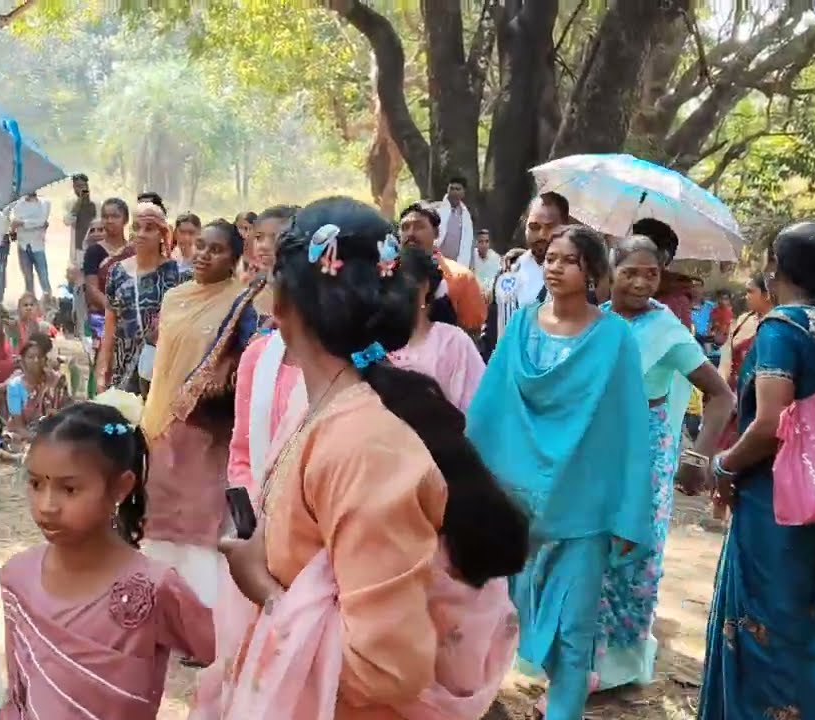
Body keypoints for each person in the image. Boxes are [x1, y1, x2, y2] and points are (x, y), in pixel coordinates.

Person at [216, 197, 527, 719]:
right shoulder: (336, 411)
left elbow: (388, 670)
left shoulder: (363, 443)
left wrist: (267, 592)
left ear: (281, 303)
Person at [699, 222, 815, 719]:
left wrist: (723, 464)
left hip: (776, 507)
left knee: (767, 631)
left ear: (774, 267)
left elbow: (768, 425)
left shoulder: (782, 327)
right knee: (805, 631)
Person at [467, 224, 652, 720]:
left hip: (584, 505)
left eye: (568, 259)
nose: (553, 266)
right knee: (517, 613)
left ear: (592, 272)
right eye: (549, 257)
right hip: (519, 502)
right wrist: (468, 483)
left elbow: (633, 430)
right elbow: (489, 410)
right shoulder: (522, 327)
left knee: (574, 630)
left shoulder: (614, 338)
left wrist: (632, 513)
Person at [0, 395, 215, 719]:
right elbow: (18, 692)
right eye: (36, 484)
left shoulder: (154, 587)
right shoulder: (17, 576)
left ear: (121, 488)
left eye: (69, 489)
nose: (46, 505)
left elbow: (226, 656)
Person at [593, 235, 734, 692]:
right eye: (630, 271)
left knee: (631, 554)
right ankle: (580, 656)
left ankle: (618, 664)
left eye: (650, 273)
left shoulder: (666, 328)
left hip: (643, 457)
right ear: (611, 271)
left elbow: (721, 395)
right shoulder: (595, 320)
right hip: (591, 452)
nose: (640, 282)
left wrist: (699, 454)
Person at [138, 220, 258, 605]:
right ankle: (162, 609)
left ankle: (204, 615)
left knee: (200, 519)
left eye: (217, 249)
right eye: (201, 246)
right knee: (159, 518)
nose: (204, 254)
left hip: (207, 427)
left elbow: (245, 362)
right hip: (162, 423)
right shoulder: (175, 297)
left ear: (235, 259)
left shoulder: (243, 304)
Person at [96, 202, 188, 394]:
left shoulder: (176, 274)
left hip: (162, 370)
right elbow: (110, 326)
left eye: (149, 228)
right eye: (137, 228)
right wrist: (103, 369)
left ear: (162, 233)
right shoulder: (117, 272)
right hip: (123, 370)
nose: (141, 234)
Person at [387, 246, 484, 412]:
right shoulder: (373, 343)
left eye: (399, 283)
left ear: (424, 287)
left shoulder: (452, 342)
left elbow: (480, 408)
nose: (391, 293)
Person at [482, 192, 568, 354]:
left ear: (565, 226)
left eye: (550, 227)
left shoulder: (576, 277)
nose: (542, 235)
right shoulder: (508, 272)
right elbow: (491, 332)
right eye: (534, 227)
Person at [397, 202, 485, 334]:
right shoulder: (387, 275)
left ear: (437, 233)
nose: (410, 233)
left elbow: (473, 332)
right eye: (405, 227)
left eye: (419, 226)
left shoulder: (461, 278)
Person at [717, 274, 773, 448]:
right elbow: (727, 359)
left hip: (756, 400)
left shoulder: (776, 325)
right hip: (732, 396)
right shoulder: (744, 319)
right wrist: (720, 392)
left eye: (750, 291)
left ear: (767, 294)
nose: (745, 296)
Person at [6, 334, 71, 443]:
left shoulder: (55, 381)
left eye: (40, 357)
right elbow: (19, 426)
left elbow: (68, 411)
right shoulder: (15, 386)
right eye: (31, 357)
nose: (36, 361)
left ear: (45, 360)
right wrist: (39, 439)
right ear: (22, 361)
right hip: (27, 434)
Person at [248, 205, 298, 322]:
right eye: (259, 237)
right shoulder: (252, 292)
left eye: (275, 237)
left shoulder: (306, 297)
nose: (262, 246)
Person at [8, 190, 53, 299]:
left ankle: (48, 303)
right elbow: (15, 221)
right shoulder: (19, 204)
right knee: (28, 277)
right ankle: (30, 304)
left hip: (37, 245)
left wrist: (23, 223)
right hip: (23, 244)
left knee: (43, 277)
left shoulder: (44, 204)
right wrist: (29, 223)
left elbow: (42, 221)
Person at [435, 176, 475, 267]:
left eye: (458, 189)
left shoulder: (466, 216)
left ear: (463, 192)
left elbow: (468, 244)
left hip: (457, 265)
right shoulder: (437, 209)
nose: (454, 192)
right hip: (437, 261)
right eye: (451, 188)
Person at [63, 173, 97, 264]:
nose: (81, 189)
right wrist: (79, 203)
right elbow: (67, 221)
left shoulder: (96, 203)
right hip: (77, 249)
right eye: (78, 186)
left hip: (93, 247)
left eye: (83, 185)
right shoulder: (70, 203)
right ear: (74, 188)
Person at [471, 229, 501, 299]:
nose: (484, 245)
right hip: (475, 294)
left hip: (491, 296)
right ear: (476, 243)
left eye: (486, 242)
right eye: (481, 242)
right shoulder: (471, 256)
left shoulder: (495, 257)